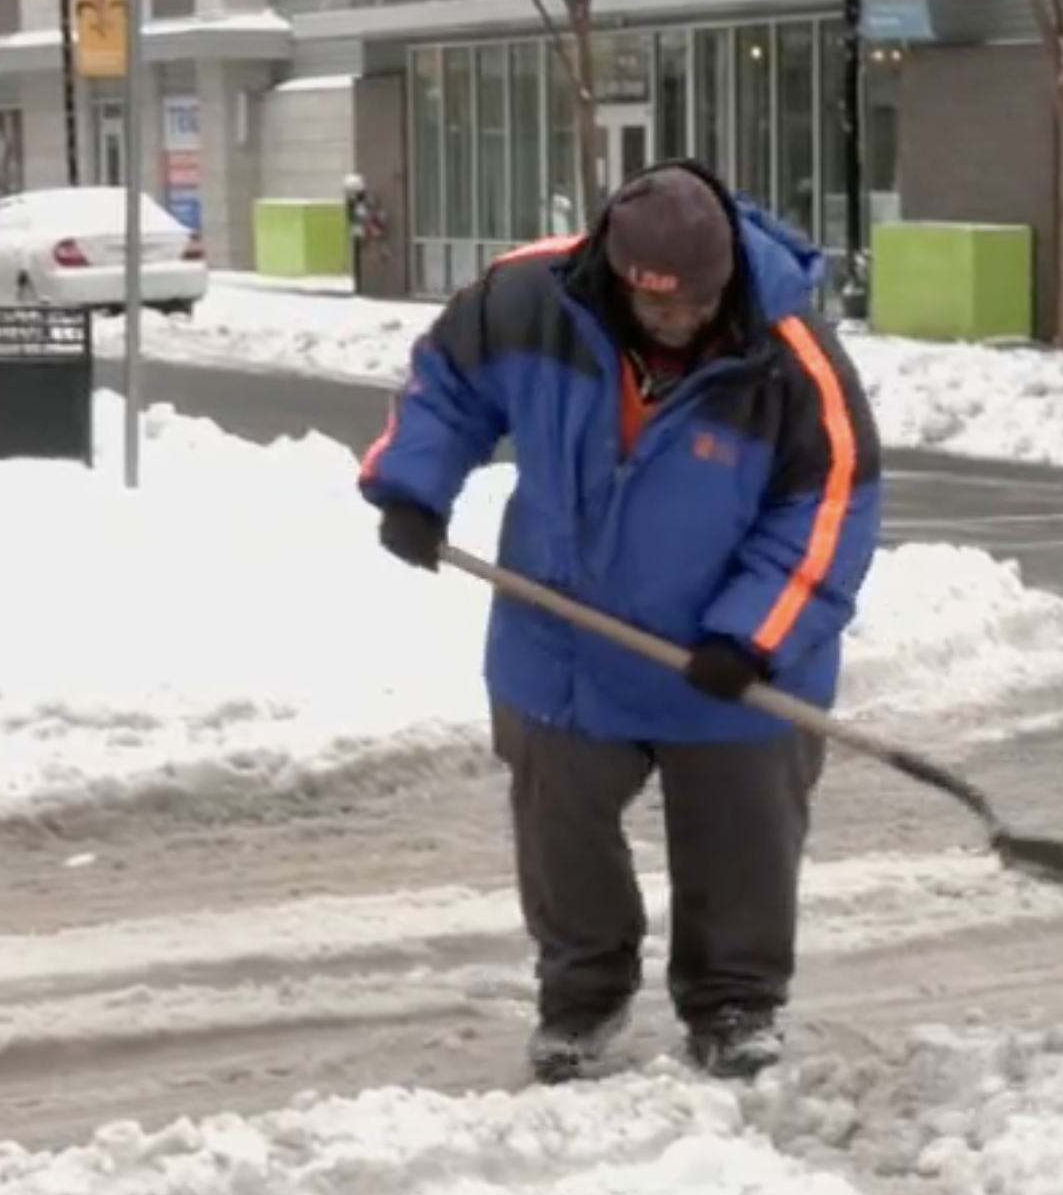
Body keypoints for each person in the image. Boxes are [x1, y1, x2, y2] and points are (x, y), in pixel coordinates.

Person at [358, 159, 884, 1085]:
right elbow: (447, 383)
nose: (676, 322)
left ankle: (733, 1002)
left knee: (739, 836)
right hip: (563, 631)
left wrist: (749, 633)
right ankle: (583, 995)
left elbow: (832, 506)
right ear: (614, 271)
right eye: (656, 304)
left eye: (696, 305)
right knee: (560, 832)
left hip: (728, 656)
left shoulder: (789, 353)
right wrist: (414, 484)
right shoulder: (529, 299)